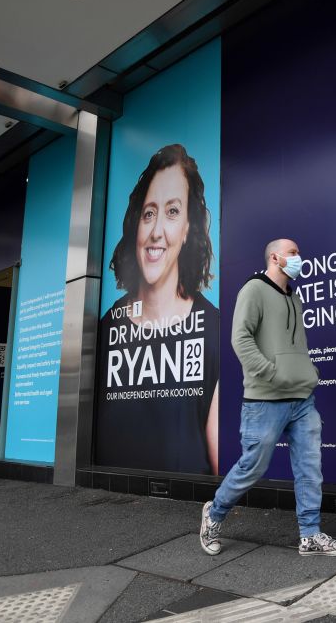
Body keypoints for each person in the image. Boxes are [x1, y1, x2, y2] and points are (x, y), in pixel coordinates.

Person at [199, 238, 336, 557]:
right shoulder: (254, 290)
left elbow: (297, 345)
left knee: (310, 467)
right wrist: (271, 373)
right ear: (274, 257)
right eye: (294, 253)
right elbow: (239, 338)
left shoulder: (294, 298)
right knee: (252, 466)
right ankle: (214, 514)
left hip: (301, 400)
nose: (299, 258)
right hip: (265, 401)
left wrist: (308, 373)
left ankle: (310, 534)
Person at [96, 143, 220, 474]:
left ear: (188, 228)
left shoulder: (215, 330)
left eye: (173, 212)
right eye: (149, 213)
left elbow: (223, 465)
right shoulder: (106, 329)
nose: (156, 232)